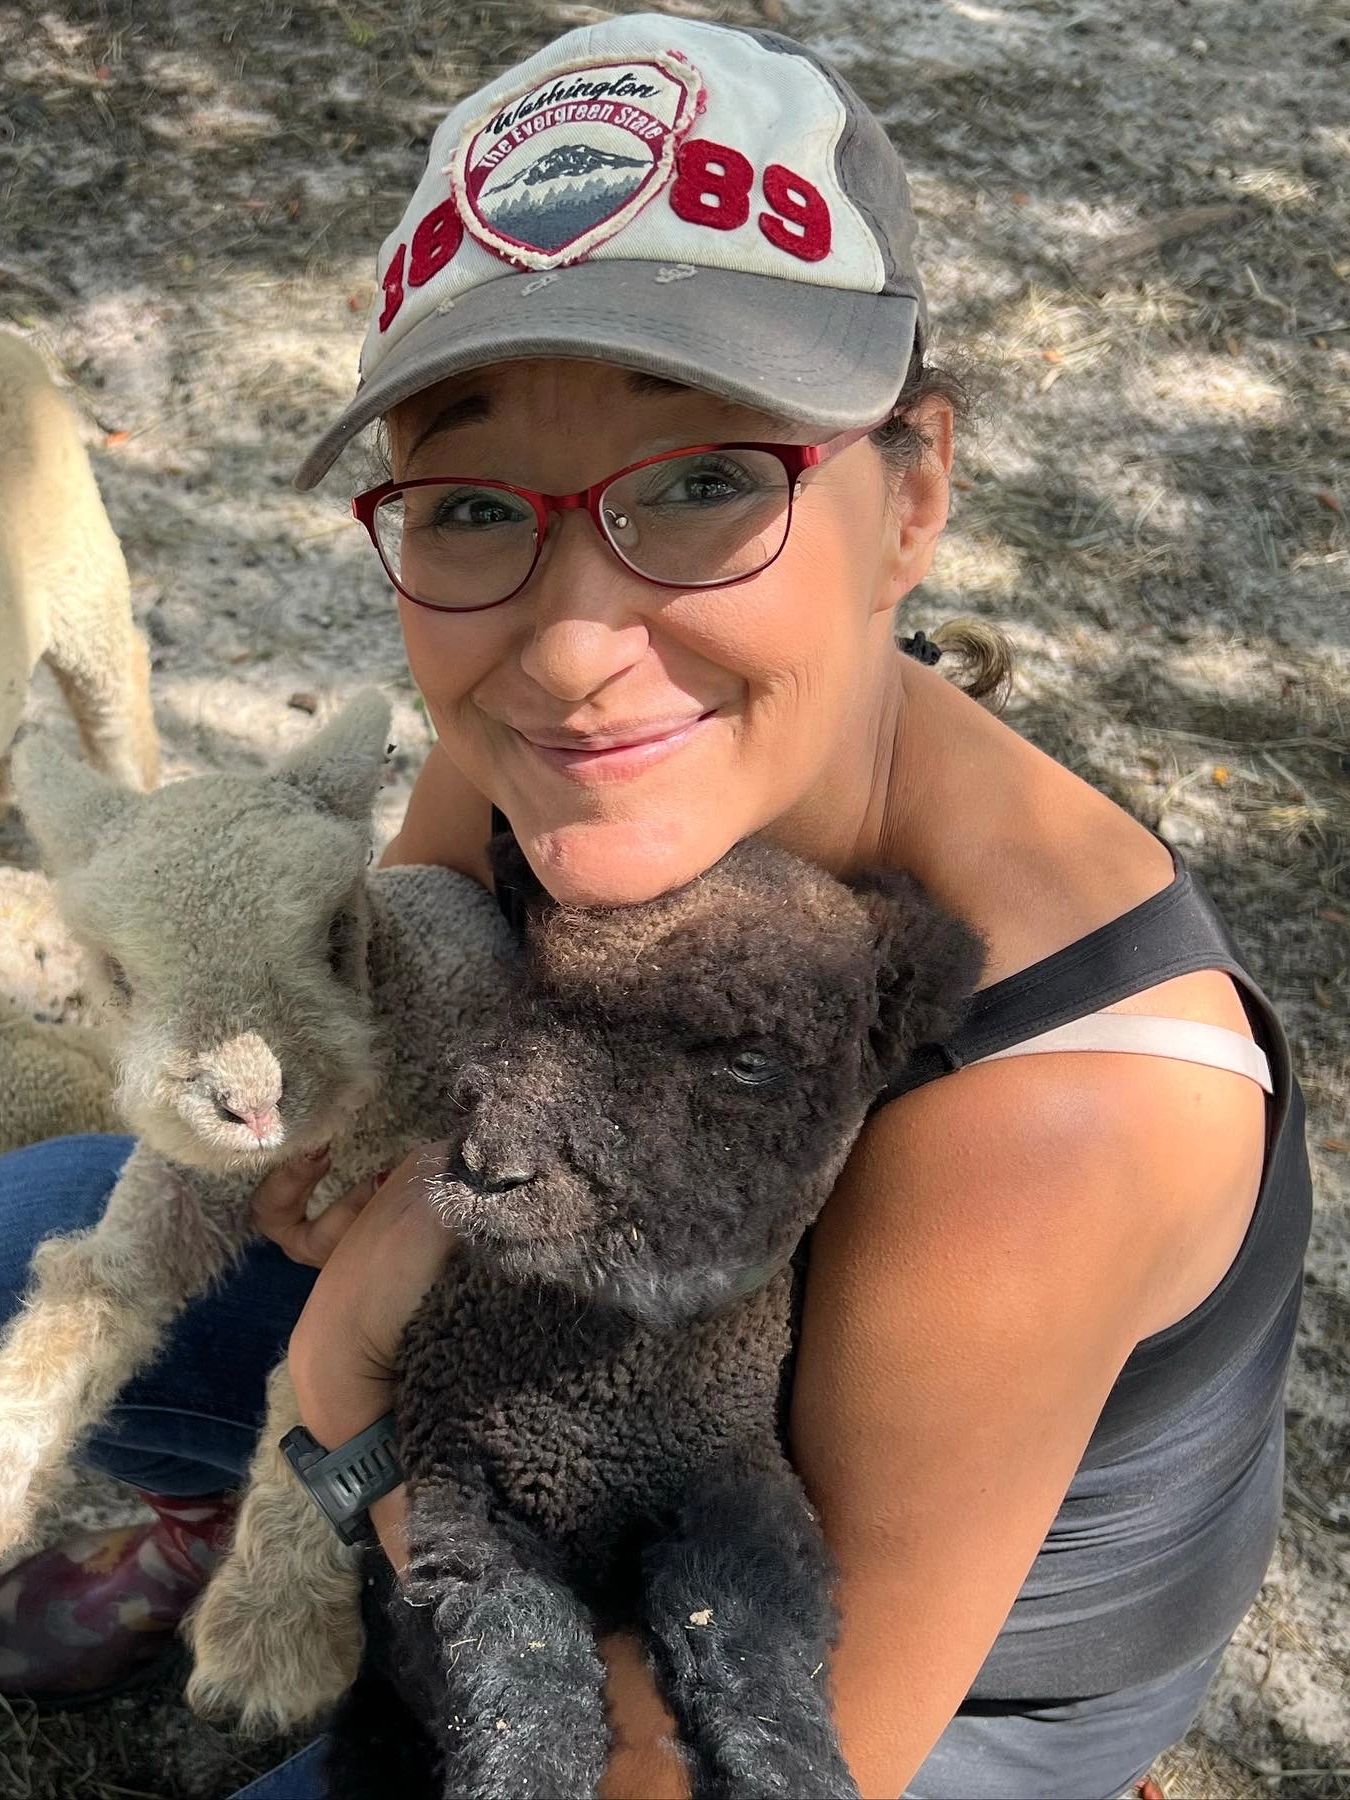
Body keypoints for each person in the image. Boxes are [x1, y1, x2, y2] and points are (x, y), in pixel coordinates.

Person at [0, 14, 1311, 1799]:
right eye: (471, 506)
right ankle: (209, 1500)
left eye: (705, 484)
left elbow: (705, 1765)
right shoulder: (561, 760)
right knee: (56, 1218)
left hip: (818, 1680)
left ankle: (268, 1514)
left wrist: (341, 1389)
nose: (569, 646)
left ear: (910, 491)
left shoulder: (1062, 1111)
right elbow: (393, 996)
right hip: (522, 1359)